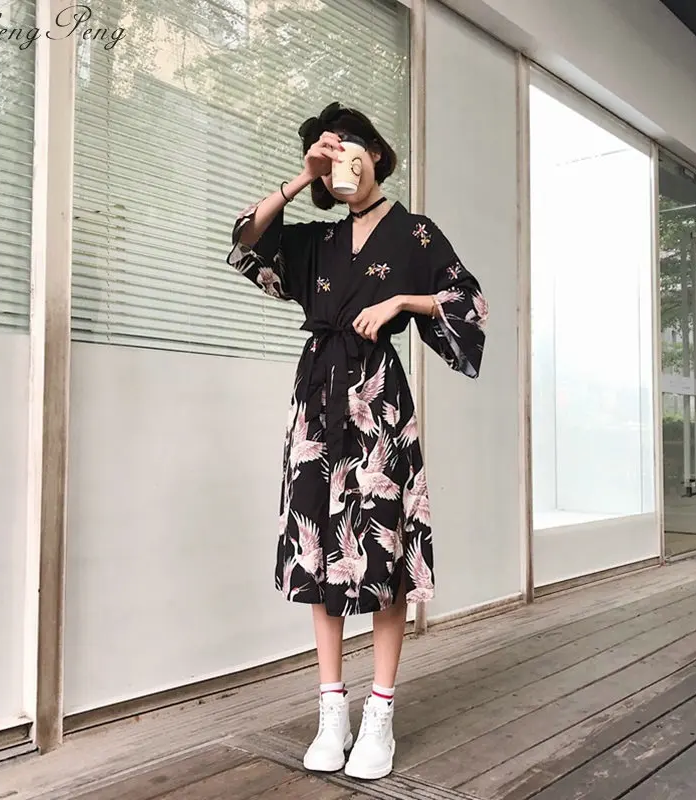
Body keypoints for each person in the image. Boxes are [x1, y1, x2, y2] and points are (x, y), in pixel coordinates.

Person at [226, 101, 487, 781]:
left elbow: (469, 303)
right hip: (317, 405)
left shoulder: (415, 233)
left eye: (350, 146)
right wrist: (298, 177)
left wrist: (403, 302)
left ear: (373, 152)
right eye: (330, 152)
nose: (343, 159)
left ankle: (380, 714)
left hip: (377, 404)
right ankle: (331, 711)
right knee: (320, 550)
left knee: (382, 551)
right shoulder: (316, 241)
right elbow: (246, 244)